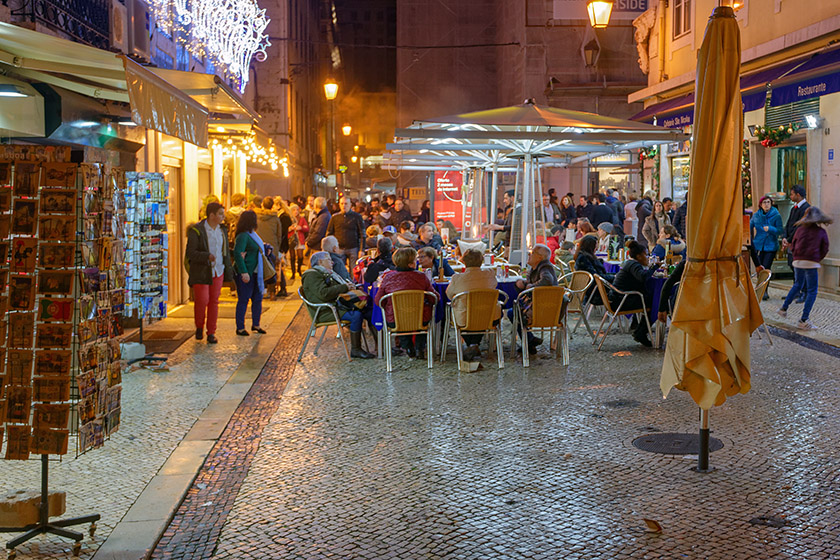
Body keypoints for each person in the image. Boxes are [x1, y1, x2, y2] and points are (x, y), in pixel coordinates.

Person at [301, 251, 374, 358]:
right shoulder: (312, 275)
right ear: (320, 262)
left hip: (336, 305)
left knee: (369, 311)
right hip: (325, 311)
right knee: (356, 315)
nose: (332, 262)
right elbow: (323, 294)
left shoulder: (325, 272)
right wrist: (345, 287)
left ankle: (382, 347)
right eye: (329, 260)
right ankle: (356, 349)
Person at [185, 202, 232, 344]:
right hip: (202, 271)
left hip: (218, 270)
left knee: (214, 302)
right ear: (212, 215)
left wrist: (228, 268)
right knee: (202, 300)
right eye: (220, 214)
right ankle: (199, 326)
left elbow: (225, 252)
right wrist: (207, 256)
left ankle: (211, 332)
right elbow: (191, 253)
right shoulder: (197, 231)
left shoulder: (222, 230)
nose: (223, 217)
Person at [375, 247, 435, 358]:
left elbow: (378, 300)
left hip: (395, 320)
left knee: (400, 319)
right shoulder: (422, 277)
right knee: (421, 317)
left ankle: (407, 347)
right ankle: (419, 348)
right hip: (419, 318)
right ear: (411, 263)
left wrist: (389, 306)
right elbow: (434, 298)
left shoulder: (388, 278)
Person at [778, 206, 831, 330]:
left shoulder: (800, 230)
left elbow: (794, 245)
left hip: (798, 261)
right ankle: (804, 319)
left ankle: (783, 308)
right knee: (812, 291)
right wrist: (818, 258)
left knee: (798, 284)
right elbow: (825, 248)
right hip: (811, 262)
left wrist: (796, 256)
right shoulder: (820, 232)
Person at [446, 248, 500, 362]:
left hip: (464, 318)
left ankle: (471, 345)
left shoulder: (457, 278)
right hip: (488, 317)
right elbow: (494, 285)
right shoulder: (490, 274)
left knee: (463, 316)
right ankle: (474, 344)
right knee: (480, 316)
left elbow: (449, 295)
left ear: (464, 261)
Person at [513, 244, 558, 354]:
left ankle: (529, 340)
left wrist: (529, 286)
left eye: (532, 253)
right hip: (540, 306)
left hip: (544, 309)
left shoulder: (545, 267)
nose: (529, 255)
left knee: (514, 312)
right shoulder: (535, 268)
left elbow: (547, 280)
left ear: (540, 257)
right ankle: (530, 341)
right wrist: (523, 284)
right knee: (515, 310)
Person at [611, 241, 657, 347]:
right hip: (622, 300)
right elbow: (642, 277)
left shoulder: (629, 263)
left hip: (619, 298)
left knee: (649, 299)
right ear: (639, 256)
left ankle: (639, 328)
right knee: (654, 303)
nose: (647, 257)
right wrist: (653, 268)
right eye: (645, 255)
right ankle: (641, 332)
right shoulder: (634, 265)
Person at [232, 210, 268, 336]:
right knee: (244, 299)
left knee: (257, 299)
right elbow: (238, 253)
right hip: (247, 272)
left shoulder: (253, 234)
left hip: (256, 272)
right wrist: (243, 272)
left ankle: (256, 324)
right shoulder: (243, 236)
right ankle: (240, 327)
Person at [784, 184, 811, 304]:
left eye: (792, 194)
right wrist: (785, 237)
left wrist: (789, 239)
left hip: (800, 243)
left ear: (798, 195)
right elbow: (789, 223)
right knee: (791, 264)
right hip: (791, 243)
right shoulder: (793, 208)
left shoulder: (806, 208)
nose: (790, 196)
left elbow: (799, 226)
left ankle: (804, 292)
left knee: (800, 268)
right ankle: (796, 290)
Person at [256, 196, 285, 300]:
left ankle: (261, 291)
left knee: (260, 268)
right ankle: (272, 293)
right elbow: (279, 235)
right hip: (272, 246)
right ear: (272, 206)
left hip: (259, 246)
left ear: (262, 205)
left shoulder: (256, 217)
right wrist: (277, 247)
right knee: (272, 269)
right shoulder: (275, 218)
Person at [326, 195, 366, 271]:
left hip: (353, 247)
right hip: (339, 247)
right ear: (339, 205)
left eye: (346, 203)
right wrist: (330, 248)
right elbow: (329, 233)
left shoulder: (357, 216)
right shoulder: (335, 217)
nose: (344, 206)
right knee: (339, 270)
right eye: (342, 203)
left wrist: (362, 249)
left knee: (354, 271)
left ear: (350, 205)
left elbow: (362, 233)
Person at [750, 196, 783, 280]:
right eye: (764, 202)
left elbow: (780, 230)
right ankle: (760, 289)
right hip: (758, 245)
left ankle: (764, 290)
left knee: (766, 268)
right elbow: (749, 226)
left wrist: (770, 229)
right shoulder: (756, 215)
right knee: (759, 268)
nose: (766, 204)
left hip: (771, 245)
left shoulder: (776, 215)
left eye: (768, 202)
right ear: (760, 205)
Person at [658, 259, 685, 324]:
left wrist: (661, 309)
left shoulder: (686, 264)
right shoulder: (712, 264)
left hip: (682, 309)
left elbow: (668, 285)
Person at [288, 203, 309, 279]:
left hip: (299, 239)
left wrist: (301, 228)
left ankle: (299, 270)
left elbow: (307, 228)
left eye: (297, 210)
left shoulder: (302, 218)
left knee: (300, 255)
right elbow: (285, 229)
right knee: (292, 256)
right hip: (292, 239)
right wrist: (290, 228)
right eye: (294, 210)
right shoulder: (289, 219)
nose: (296, 211)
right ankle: (293, 272)